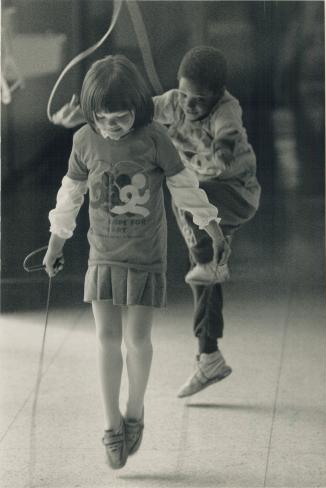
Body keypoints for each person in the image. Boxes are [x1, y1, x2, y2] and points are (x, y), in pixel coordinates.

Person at [43, 54, 230, 470]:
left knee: (137, 342)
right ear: (91, 114)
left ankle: (135, 410)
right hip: (102, 255)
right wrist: (55, 244)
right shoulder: (83, 142)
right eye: (103, 118)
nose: (112, 125)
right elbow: (70, 197)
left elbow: (185, 189)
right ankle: (111, 423)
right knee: (106, 340)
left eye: (121, 117)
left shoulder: (155, 138)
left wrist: (211, 227)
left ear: (138, 108)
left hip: (145, 256)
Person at [51, 46, 261, 400]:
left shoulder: (227, 109)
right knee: (204, 278)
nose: (189, 105)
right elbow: (132, 111)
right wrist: (87, 117)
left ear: (218, 95)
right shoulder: (174, 102)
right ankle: (209, 355)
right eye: (185, 95)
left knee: (182, 188)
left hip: (234, 193)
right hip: (205, 196)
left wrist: (217, 160)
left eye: (200, 100)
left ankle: (207, 261)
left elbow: (226, 137)